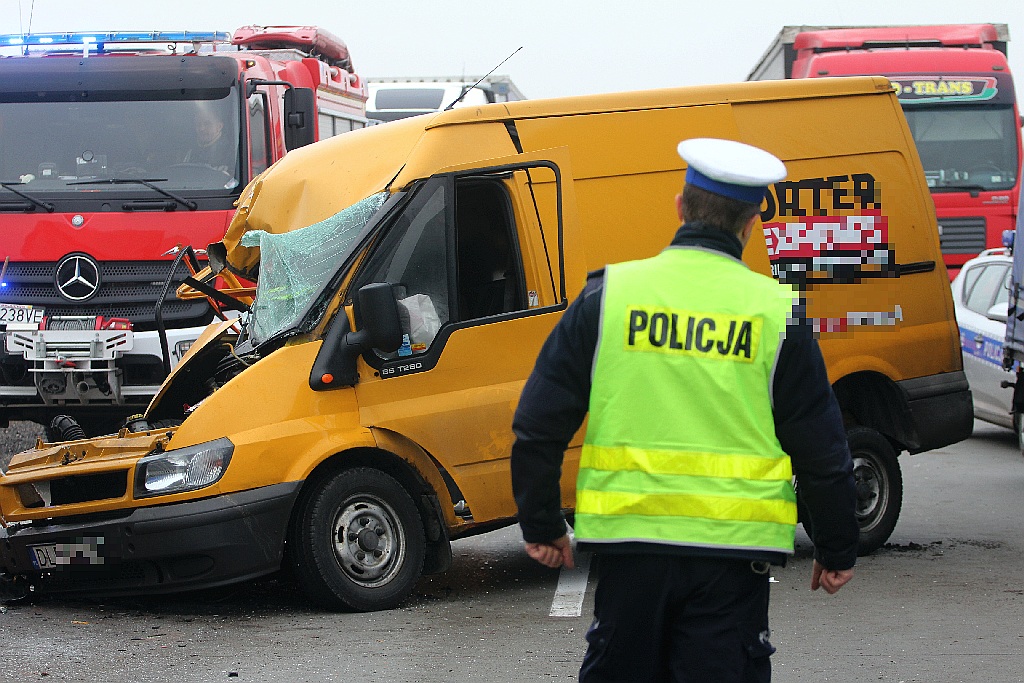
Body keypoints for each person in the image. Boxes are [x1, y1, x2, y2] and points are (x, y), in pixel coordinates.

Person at [510, 137, 859, 682]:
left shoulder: (610, 297)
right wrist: (837, 546)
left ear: (680, 207)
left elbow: (537, 424)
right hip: (733, 560)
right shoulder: (777, 313)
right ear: (749, 224)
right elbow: (823, 449)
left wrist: (541, 523)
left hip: (630, 552)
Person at [182, 103, 236, 174]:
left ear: (219, 126)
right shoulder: (190, 153)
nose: (202, 128)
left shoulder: (232, 152)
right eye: (198, 124)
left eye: (207, 124)